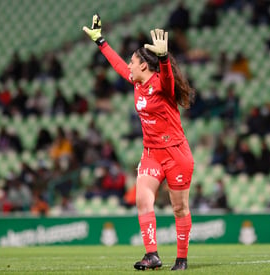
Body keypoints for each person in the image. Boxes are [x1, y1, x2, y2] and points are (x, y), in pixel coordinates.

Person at [83, 15, 195, 271]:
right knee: (143, 201)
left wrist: (165, 59)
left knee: (179, 208)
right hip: (151, 154)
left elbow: (167, 78)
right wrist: (101, 41)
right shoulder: (137, 82)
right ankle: (152, 255)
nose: (129, 66)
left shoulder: (161, 85)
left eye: (133, 62)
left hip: (176, 153)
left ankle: (182, 259)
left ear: (145, 66)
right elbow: (118, 65)